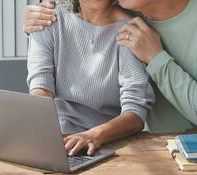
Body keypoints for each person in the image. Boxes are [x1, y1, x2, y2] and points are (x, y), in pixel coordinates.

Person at [25, 0, 197, 133]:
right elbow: (83, 20)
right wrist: (35, 21)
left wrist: (156, 57)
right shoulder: (131, 15)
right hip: (154, 149)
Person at [27, 0, 155, 156]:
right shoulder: (47, 17)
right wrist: (41, 131)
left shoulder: (129, 30)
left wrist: (93, 135)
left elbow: (135, 114)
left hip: (109, 143)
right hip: (57, 138)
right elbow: (40, 87)